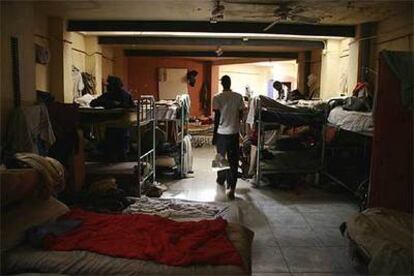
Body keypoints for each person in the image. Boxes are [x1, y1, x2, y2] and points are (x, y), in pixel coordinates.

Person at [212, 75, 244, 200]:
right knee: (233, 160)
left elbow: (217, 118)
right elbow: (241, 114)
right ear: (230, 83)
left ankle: (221, 180)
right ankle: (232, 188)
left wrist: (214, 135)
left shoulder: (217, 97)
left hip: (221, 133)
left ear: (222, 84)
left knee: (220, 157)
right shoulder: (238, 96)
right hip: (234, 133)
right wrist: (236, 123)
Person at [90, 76, 135, 161]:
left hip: (113, 124)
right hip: (121, 125)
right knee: (120, 148)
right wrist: (112, 104)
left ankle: (113, 159)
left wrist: (111, 104)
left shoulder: (112, 95)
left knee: (113, 146)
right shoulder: (123, 95)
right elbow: (93, 103)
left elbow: (93, 103)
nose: (107, 86)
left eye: (109, 84)